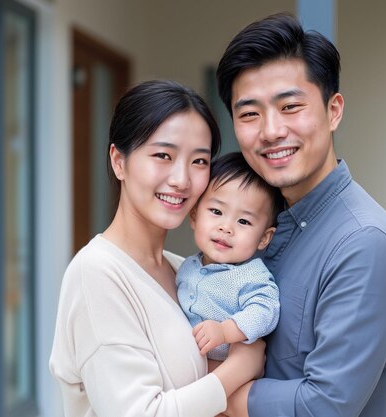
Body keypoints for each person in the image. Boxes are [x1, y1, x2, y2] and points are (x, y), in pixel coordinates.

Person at [215, 13, 386, 417]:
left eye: (290, 106)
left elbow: (324, 407)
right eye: (249, 114)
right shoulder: (260, 224)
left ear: (333, 110)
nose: (270, 131)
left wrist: (208, 396)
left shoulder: (364, 243)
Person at [49, 80, 265, 417]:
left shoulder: (185, 270)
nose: (181, 179)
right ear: (119, 161)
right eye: (163, 155)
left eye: (199, 161)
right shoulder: (97, 274)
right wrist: (240, 367)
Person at [176, 152, 283, 362]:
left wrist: (225, 331)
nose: (226, 228)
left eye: (243, 222)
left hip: (226, 371)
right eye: (216, 211)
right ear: (195, 215)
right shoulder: (187, 266)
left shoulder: (252, 276)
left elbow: (265, 311)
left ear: (264, 237)